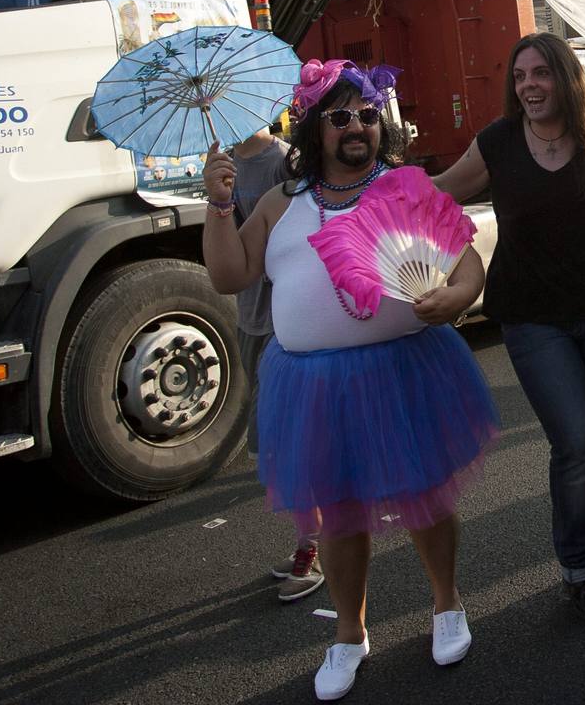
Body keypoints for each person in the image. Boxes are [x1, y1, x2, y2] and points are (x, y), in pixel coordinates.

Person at [203, 60, 499, 699]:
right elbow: (230, 276)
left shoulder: (403, 185)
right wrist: (221, 204)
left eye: (367, 115)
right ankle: (348, 633)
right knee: (338, 517)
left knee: (424, 495)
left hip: (403, 368)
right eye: (339, 117)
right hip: (310, 385)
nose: (356, 128)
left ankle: (446, 604)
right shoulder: (282, 202)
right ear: (314, 128)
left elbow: (467, 261)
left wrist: (458, 299)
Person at [434, 33, 585, 622]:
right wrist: (367, 189)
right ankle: (580, 568)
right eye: (520, 76)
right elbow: (441, 190)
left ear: (566, 79)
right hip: (530, 317)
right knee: (573, 441)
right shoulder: (497, 142)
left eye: (541, 74)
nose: (529, 86)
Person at [231, 126, 323, 603]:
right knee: (273, 444)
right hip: (248, 317)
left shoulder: (284, 163)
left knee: (287, 442)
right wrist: (216, 201)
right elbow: (226, 263)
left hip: (283, 321)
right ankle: (309, 538)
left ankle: (312, 548)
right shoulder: (226, 163)